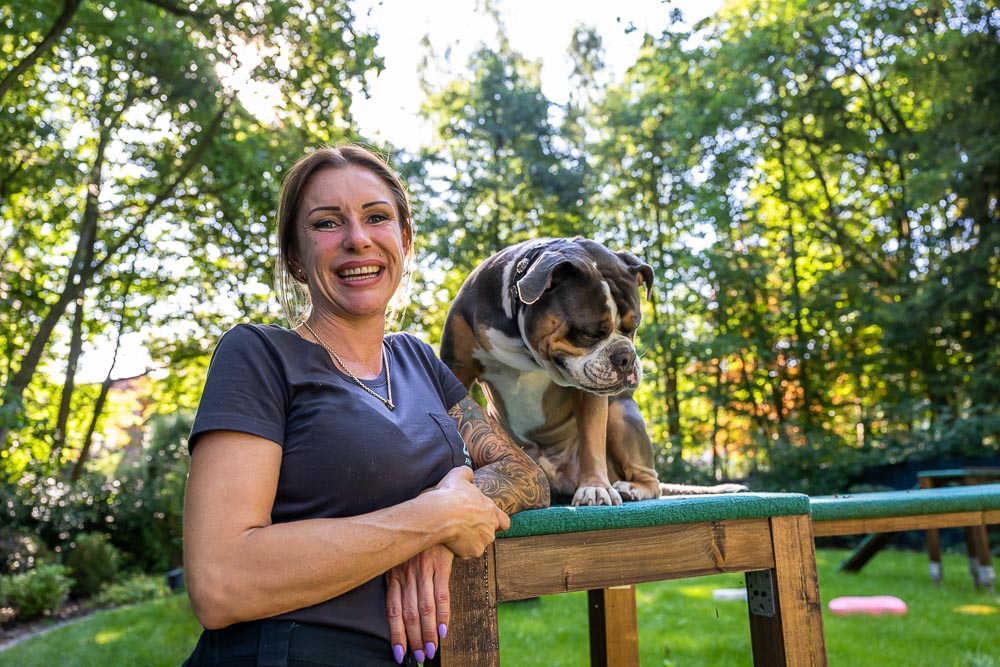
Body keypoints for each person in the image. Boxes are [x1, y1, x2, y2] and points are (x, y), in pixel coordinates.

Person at [182, 144, 550, 666]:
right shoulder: (259, 355)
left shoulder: (417, 360)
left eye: (376, 217)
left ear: (403, 239)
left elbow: (524, 473)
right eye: (327, 224)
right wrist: (429, 519)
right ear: (294, 256)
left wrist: (442, 526)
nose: (357, 239)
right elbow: (220, 582)